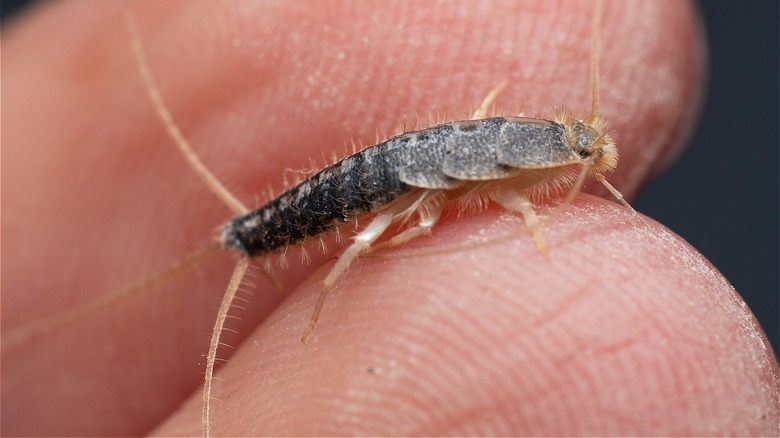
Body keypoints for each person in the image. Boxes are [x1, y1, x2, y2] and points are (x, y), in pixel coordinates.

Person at [4, 1, 778, 435]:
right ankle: (249, 242)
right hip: (388, 178)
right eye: (577, 147)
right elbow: (494, 167)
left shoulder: (510, 146)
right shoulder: (509, 168)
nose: (583, 152)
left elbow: (487, 141)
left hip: (410, 166)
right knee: (350, 237)